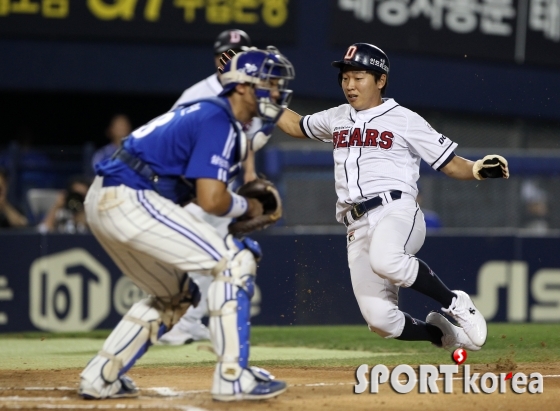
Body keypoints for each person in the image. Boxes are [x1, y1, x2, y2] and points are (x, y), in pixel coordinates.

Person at [78, 47, 295, 401]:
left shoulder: (211, 115)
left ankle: (101, 376)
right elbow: (211, 199)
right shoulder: (220, 117)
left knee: (176, 294)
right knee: (235, 261)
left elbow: (196, 193)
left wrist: (238, 207)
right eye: (269, 82)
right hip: (130, 196)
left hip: (109, 197)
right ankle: (232, 376)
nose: (276, 91)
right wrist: (246, 205)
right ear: (241, 87)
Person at [276, 43, 510, 352]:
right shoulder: (337, 117)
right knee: (380, 320)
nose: (350, 85)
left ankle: (456, 303)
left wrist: (479, 168)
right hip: (356, 225)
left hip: (396, 210)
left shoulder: (404, 119)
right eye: (345, 77)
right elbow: (294, 125)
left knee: (386, 260)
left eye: (358, 77)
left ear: (380, 80)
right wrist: (260, 94)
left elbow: (451, 164)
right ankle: (441, 335)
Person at [160, 29, 269, 346]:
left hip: (222, 188)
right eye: (228, 54)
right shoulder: (198, 93)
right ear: (217, 59)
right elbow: (169, 137)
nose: (233, 59)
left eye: (239, 53)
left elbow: (247, 139)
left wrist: (249, 175)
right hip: (190, 189)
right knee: (199, 254)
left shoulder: (251, 91)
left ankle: (189, 321)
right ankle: (178, 321)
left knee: (218, 254)